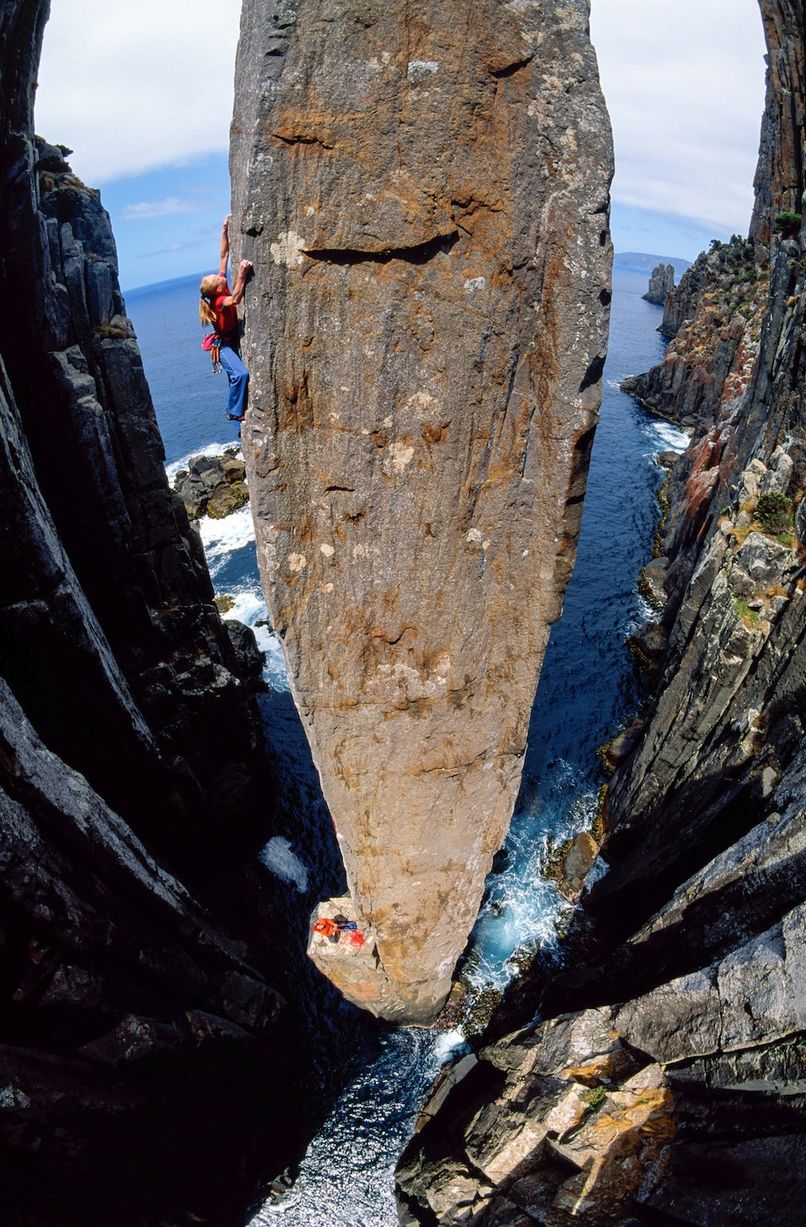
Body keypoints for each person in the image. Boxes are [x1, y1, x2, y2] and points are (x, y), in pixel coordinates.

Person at [199, 216, 253, 430]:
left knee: (236, 376)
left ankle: (236, 408)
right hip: (224, 346)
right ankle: (234, 412)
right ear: (219, 288)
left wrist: (224, 230)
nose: (220, 275)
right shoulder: (220, 300)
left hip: (231, 341)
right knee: (240, 374)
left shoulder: (218, 289)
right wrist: (241, 274)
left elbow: (224, 254)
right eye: (218, 278)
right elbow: (236, 299)